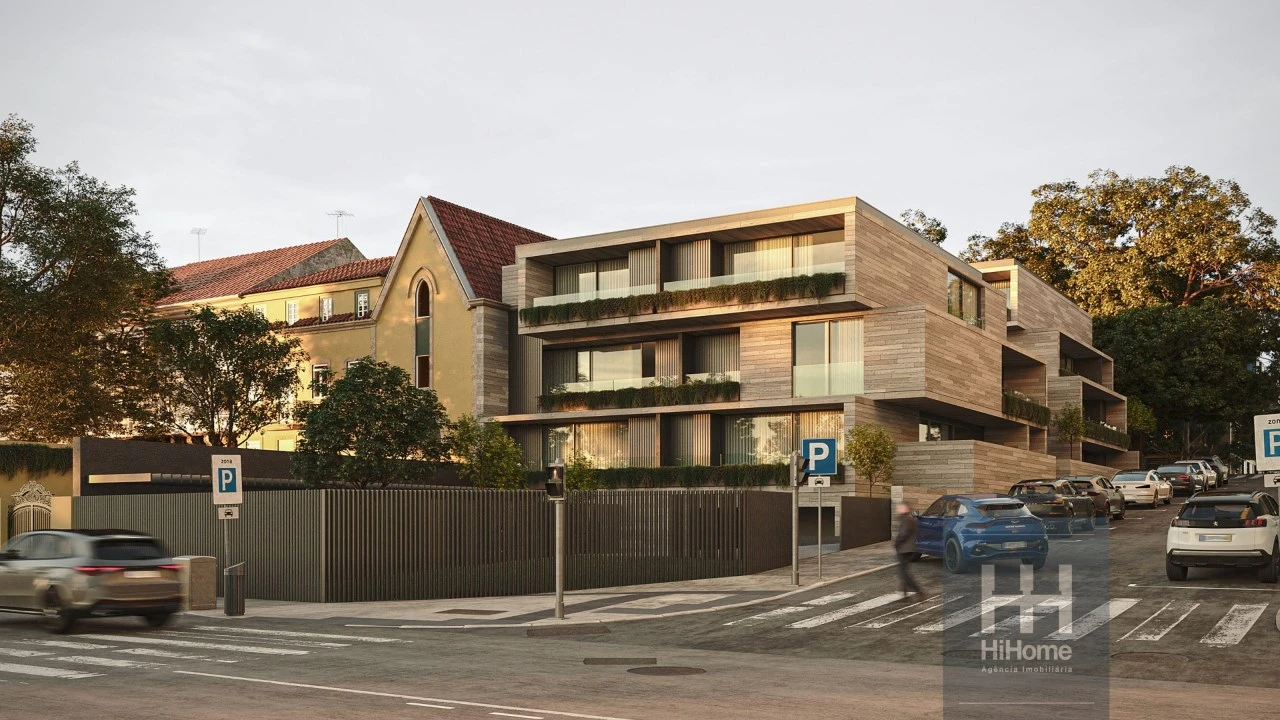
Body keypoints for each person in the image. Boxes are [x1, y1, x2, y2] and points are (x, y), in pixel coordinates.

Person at [894, 502, 927, 601]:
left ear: (905, 508)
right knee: (903, 572)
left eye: (900, 507)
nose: (898, 509)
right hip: (905, 548)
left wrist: (896, 543)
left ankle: (919, 591)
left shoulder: (907, 519)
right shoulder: (907, 518)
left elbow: (903, 534)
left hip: (905, 549)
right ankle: (904, 595)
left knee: (904, 573)